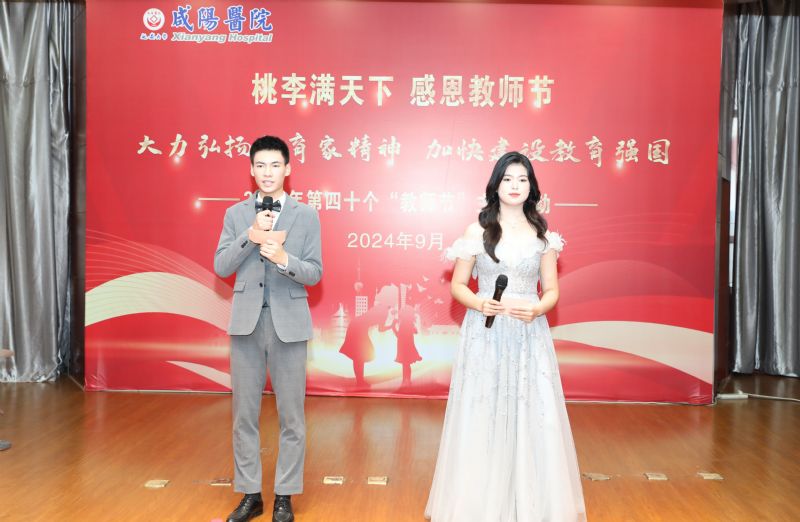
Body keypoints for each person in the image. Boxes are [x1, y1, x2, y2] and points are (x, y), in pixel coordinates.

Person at [425, 152, 586, 521]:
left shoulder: (543, 237)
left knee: (533, 415)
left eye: (522, 179)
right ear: (495, 185)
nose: (515, 185)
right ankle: (480, 504)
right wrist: (480, 303)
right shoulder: (477, 232)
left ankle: (530, 503)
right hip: (486, 333)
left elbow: (552, 291)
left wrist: (538, 308)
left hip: (529, 334)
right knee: (484, 411)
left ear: (532, 188)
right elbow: (458, 286)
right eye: (508, 179)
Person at [214, 135, 322, 522]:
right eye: (260, 165)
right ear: (251, 169)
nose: (267, 172)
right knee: (244, 415)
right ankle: (250, 495)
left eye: (275, 165)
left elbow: (314, 272)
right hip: (246, 324)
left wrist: (284, 258)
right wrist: (250, 235)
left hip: (289, 325)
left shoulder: (306, 216)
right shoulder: (236, 214)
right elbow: (222, 266)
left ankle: (284, 496)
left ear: (287, 169)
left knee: (292, 416)